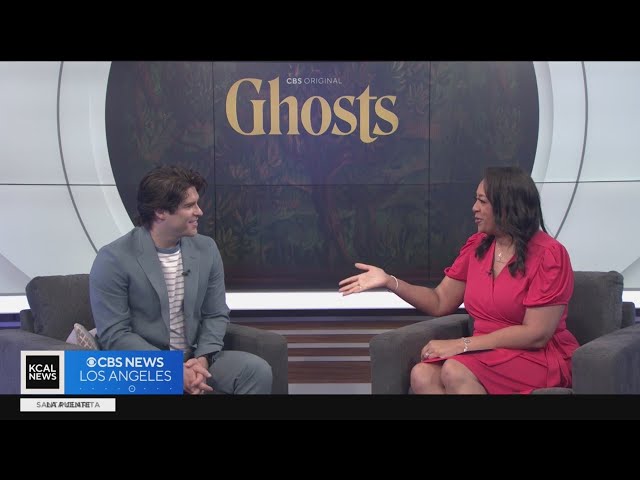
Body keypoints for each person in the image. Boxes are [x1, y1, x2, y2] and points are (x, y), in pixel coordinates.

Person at [338, 166, 580, 394]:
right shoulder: (478, 247)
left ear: (507, 207)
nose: (474, 208)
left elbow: (536, 334)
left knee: (454, 370)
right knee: (422, 375)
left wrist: (462, 344)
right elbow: (439, 301)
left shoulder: (549, 255)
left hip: (535, 356)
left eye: (482, 201)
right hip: (485, 351)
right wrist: (389, 281)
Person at [89, 165, 272, 394]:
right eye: (189, 206)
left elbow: (215, 314)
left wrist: (203, 359)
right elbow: (115, 334)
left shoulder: (206, 249)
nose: (199, 212)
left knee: (255, 370)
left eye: (197, 203)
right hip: (144, 365)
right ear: (160, 212)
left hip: (194, 358)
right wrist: (171, 369)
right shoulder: (114, 258)